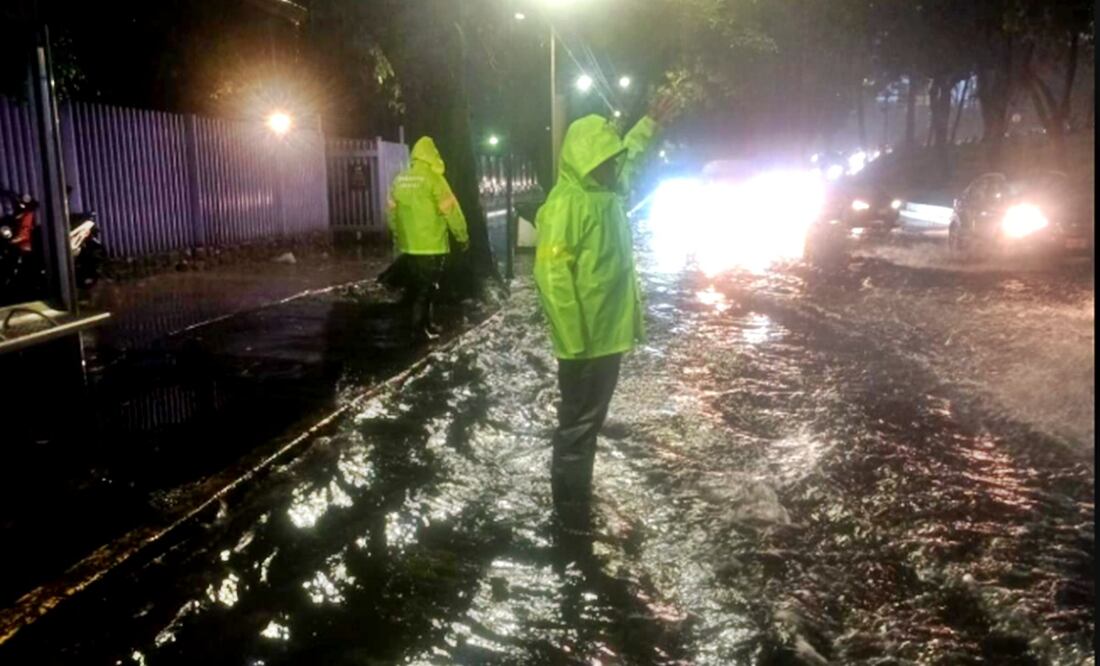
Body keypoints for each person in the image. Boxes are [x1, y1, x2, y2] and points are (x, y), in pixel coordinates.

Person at [533, 97, 676, 536]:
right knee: (577, 425)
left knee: (586, 423)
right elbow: (551, 274)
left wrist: (648, 124)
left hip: (604, 336)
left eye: (613, 158)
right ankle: (570, 515)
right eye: (606, 157)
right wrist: (574, 342)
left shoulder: (606, 193)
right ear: (588, 159)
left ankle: (575, 498)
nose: (615, 164)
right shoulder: (568, 203)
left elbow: (630, 157)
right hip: (587, 341)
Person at [386, 136, 469, 340]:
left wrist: (397, 234)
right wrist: (462, 236)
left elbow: (391, 212)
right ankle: (419, 330)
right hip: (431, 245)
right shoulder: (434, 179)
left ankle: (426, 324)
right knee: (427, 289)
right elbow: (451, 211)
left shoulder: (400, 179)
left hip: (409, 246)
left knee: (419, 288)